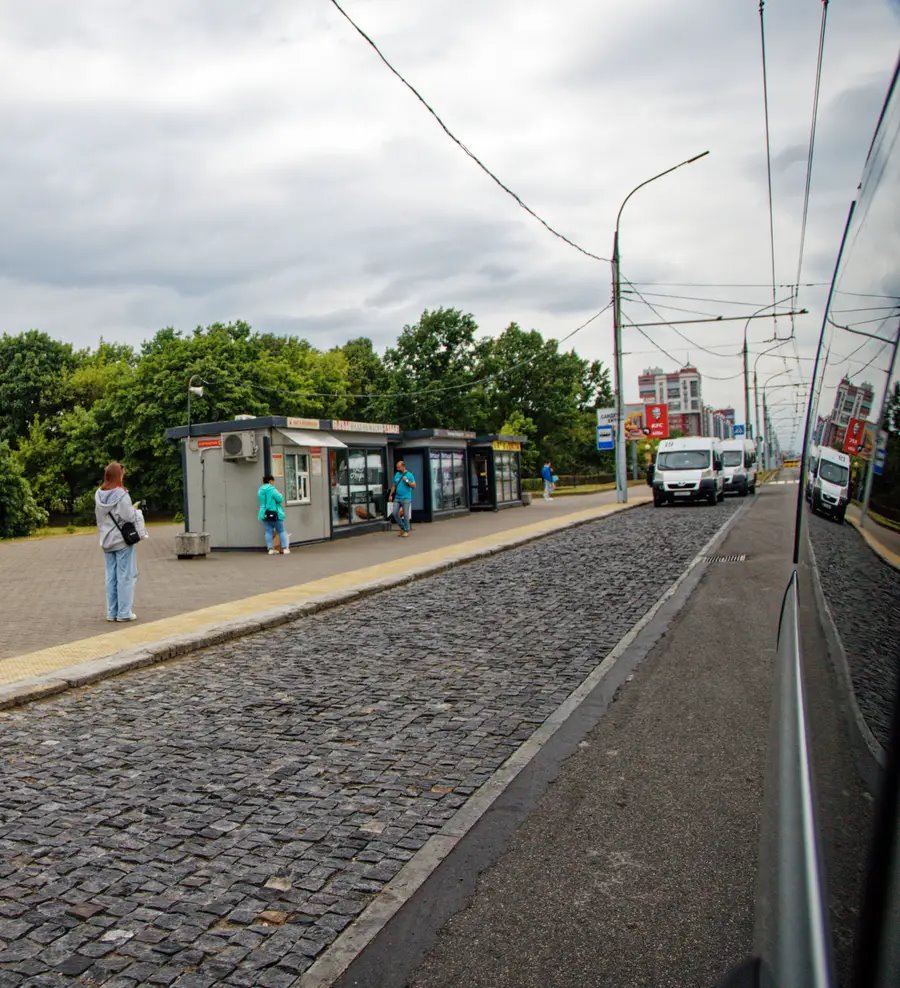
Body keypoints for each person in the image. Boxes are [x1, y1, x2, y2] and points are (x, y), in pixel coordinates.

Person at [95, 461, 140, 622]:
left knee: (110, 577)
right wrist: (135, 512)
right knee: (125, 575)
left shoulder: (98, 494)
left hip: (106, 540)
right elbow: (128, 516)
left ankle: (111, 612)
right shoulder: (122, 495)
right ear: (118, 476)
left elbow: (99, 518)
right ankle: (124, 613)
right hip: (121, 540)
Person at [258, 474, 291, 555]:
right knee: (281, 531)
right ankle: (284, 548)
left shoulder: (260, 490)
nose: (273, 483)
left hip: (264, 513)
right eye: (273, 481)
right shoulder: (272, 489)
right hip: (275, 513)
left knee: (268, 532)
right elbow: (280, 499)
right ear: (270, 481)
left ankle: (270, 549)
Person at [390, 460, 416, 537]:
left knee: (405, 514)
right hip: (397, 497)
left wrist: (407, 481)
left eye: (399, 467)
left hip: (406, 498)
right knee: (394, 513)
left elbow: (414, 486)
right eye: (397, 467)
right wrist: (391, 495)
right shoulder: (397, 474)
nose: (397, 469)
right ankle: (403, 527)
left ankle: (406, 531)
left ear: (403, 466)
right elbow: (394, 485)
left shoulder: (409, 475)